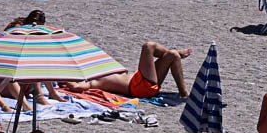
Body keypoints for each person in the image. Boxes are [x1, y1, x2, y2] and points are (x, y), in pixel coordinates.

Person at [62, 41, 192, 99]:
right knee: (148, 46)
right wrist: (61, 76)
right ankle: (175, 53)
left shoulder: (95, 71)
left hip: (142, 81)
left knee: (173, 56)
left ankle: (184, 93)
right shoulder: (92, 81)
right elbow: (76, 87)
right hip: (140, 87)